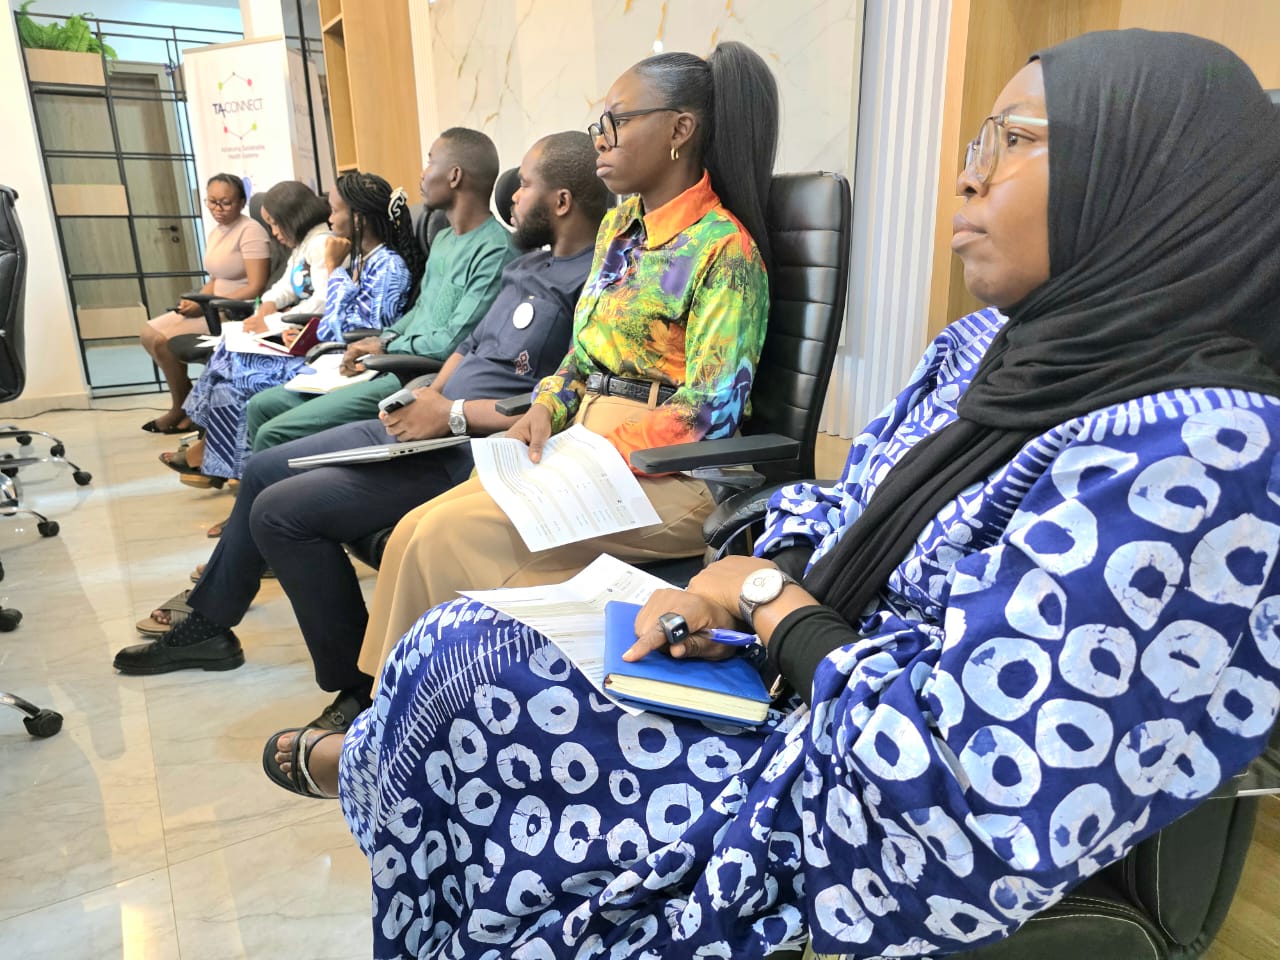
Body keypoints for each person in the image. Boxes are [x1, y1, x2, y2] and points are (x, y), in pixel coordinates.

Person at [267, 31, 1280, 958]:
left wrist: (767, 601)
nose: (968, 174)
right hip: (796, 665)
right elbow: (840, 501)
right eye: (977, 140)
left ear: (1145, 177)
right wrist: (740, 584)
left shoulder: (1203, 452)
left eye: (1012, 142)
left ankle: (377, 766)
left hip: (857, 803)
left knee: (471, 680)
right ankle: (388, 761)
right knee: (459, 644)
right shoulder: (986, 348)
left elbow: (965, 791)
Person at [114, 134, 610, 728]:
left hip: (469, 446)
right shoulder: (528, 264)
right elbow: (471, 345)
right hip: (428, 418)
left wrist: (450, 413)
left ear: (560, 201)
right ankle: (211, 625)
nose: (512, 197)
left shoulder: (596, 283)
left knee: (281, 514)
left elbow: (563, 401)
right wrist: (428, 394)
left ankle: (361, 689)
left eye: (524, 185)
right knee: (265, 468)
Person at [353, 40, 779, 680]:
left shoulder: (724, 251)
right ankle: (392, 700)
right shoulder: (620, 228)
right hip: (587, 446)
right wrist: (548, 409)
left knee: (445, 539)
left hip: (672, 474)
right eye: (599, 123)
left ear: (679, 131)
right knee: (415, 528)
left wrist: (596, 447)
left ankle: (413, 703)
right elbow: (582, 354)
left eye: (617, 121)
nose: (600, 138)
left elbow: (710, 413)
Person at [241, 128, 518, 454]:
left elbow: (451, 342)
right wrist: (380, 341)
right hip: (391, 362)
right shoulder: (443, 239)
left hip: (416, 376)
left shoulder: (495, 249)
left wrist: (386, 346)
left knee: (272, 433)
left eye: (430, 162)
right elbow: (420, 311)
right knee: (260, 406)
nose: (422, 173)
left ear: (455, 176)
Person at [170, 171, 421, 484]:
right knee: (227, 370)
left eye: (335, 210)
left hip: (346, 366)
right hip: (328, 356)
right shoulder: (360, 260)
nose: (330, 218)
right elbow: (333, 325)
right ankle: (226, 464)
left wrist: (333, 270)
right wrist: (307, 330)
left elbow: (356, 333)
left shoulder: (388, 266)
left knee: (234, 373)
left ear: (357, 219)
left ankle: (227, 464)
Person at [139, 173, 270, 434]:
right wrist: (195, 299)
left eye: (226, 202)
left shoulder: (250, 231)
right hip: (211, 304)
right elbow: (215, 279)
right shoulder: (216, 232)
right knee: (148, 333)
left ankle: (181, 409)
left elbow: (256, 286)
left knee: (162, 341)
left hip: (231, 311)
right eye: (212, 202)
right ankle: (186, 403)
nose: (218, 209)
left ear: (241, 202)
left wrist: (210, 304)